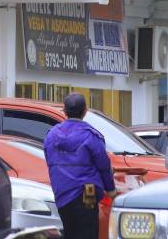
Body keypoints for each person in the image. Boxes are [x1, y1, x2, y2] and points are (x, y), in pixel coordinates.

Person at [44, 93, 116, 239]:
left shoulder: (51, 135)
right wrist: (110, 189)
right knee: (88, 232)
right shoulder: (91, 135)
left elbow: (50, 161)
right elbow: (104, 165)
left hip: (62, 194)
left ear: (64, 111)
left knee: (70, 233)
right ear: (85, 111)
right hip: (86, 193)